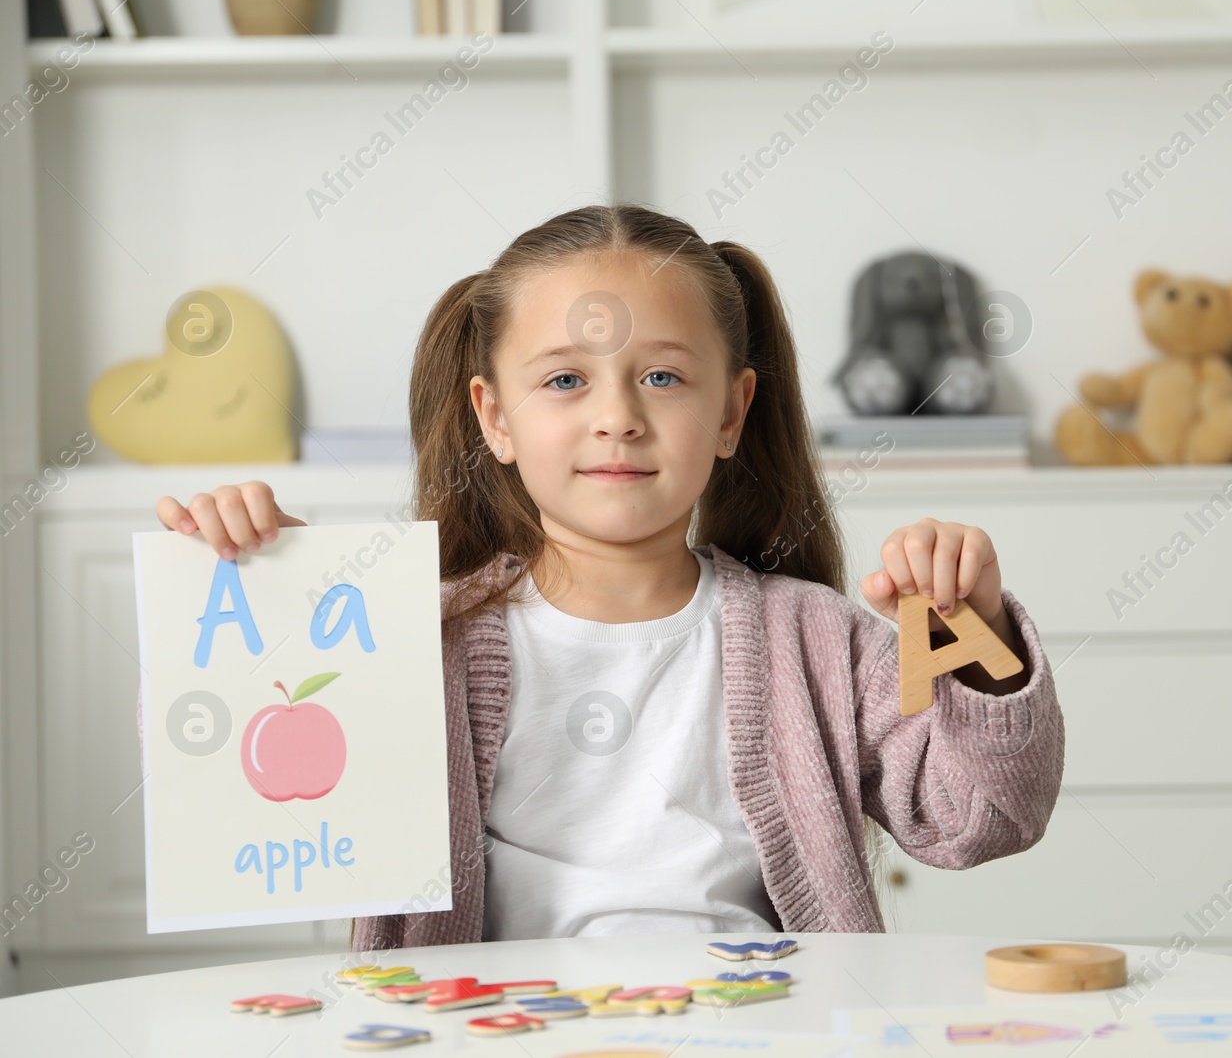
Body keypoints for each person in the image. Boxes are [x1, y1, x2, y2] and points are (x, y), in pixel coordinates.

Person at [151, 204, 1063, 948]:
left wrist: (970, 630)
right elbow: (273, 794)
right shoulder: (411, 639)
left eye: (663, 377)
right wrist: (271, 587)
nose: (618, 416)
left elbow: (979, 817)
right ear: (493, 416)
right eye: (564, 383)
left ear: (732, 412)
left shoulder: (819, 635)